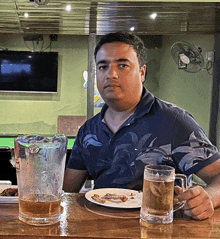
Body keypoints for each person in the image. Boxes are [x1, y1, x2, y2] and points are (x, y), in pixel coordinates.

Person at [63, 31, 220, 220]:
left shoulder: (174, 121)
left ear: (142, 72)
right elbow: (67, 191)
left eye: (122, 65)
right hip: (101, 232)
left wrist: (209, 197)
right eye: (103, 67)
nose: (111, 74)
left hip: (159, 234)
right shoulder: (88, 130)